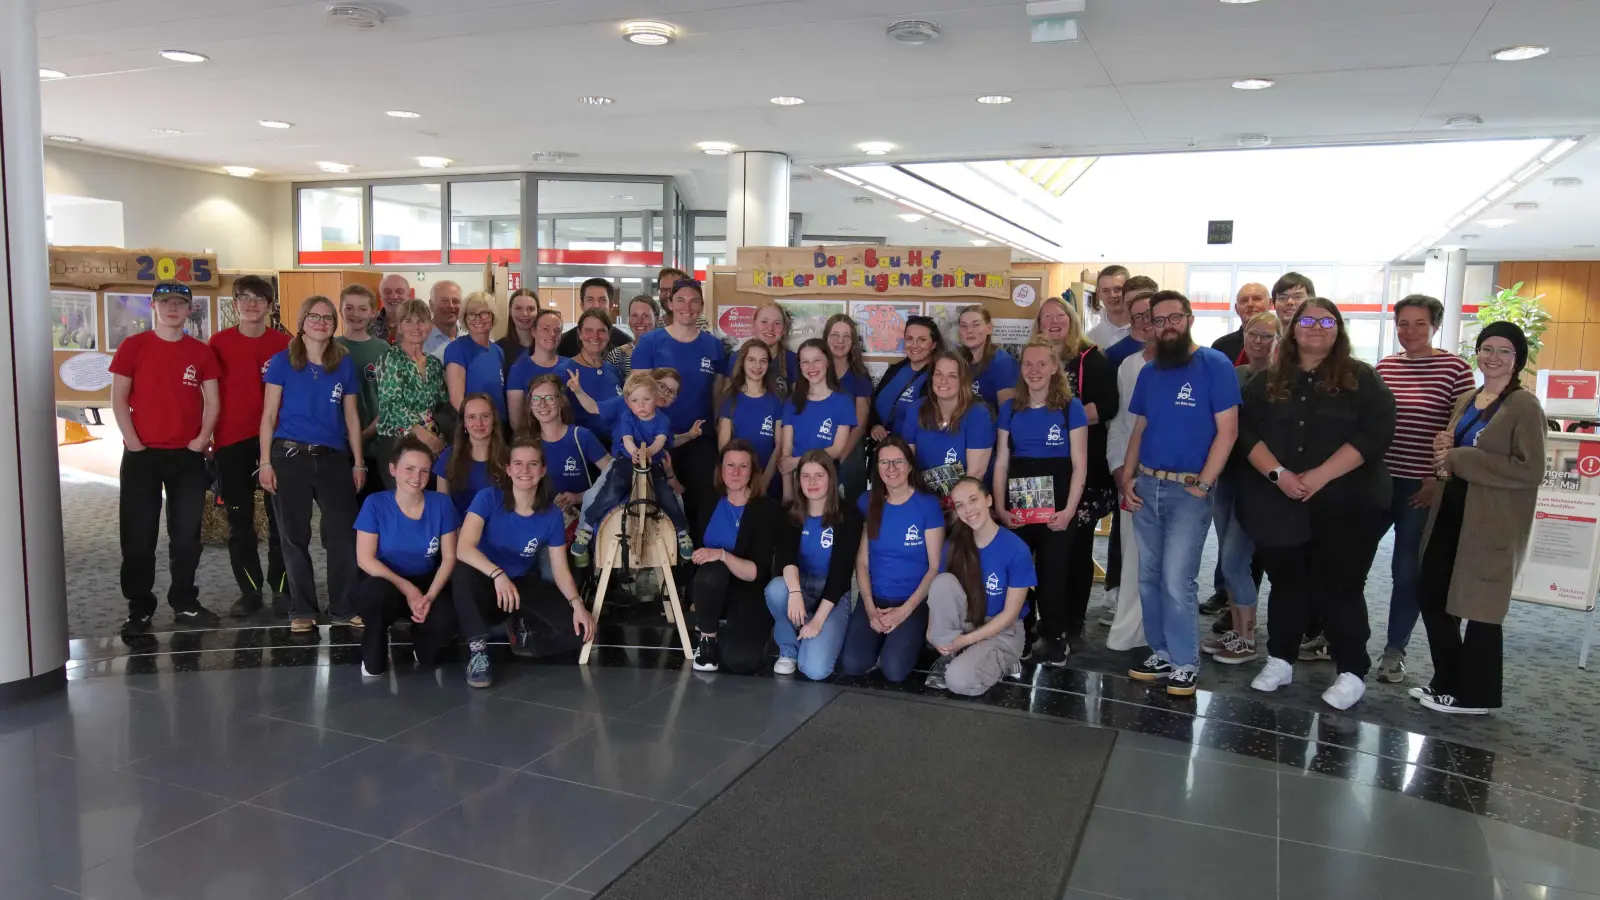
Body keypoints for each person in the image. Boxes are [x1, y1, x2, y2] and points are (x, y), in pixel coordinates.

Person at [1238, 299, 1395, 710]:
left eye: (1327, 321)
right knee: (1288, 584)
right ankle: (1280, 659)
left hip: (1349, 503)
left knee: (1340, 586)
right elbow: (1246, 435)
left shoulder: (1363, 379)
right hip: (1281, 500)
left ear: (1339, 330)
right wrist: (1281, 476)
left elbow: (1374, 434)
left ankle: (1351, 671)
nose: (1317, 327)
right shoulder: (1267, 380)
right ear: (1293, 330)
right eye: (1308, 320)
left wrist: (1320, 475)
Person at [1417, 322, 1543, 715]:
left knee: (1482, 608)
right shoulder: (1471, 397)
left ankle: (1476, 696)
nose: (1493, 357)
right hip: (1452, 511)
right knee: (1433, 595)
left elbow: (1530, 469)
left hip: (1490, 522)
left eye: (1504, 351)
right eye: (1487, 348)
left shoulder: (1524, 405)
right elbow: (1453, 455)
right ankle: (1448, 682)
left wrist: (1460, 458)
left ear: (1517, 359)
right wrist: (1445, 452)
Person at [1120, 291, 1240, 696]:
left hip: (1189, 491)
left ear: (1189, 319)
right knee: (1149, 577)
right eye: (1159, 320)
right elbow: (1140, 429)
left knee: (1177, 579)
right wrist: (1127, 476)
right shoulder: (1150, 373)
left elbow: (1228, 432)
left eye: (1174, 317)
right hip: (1146, 486)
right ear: (1150, 326)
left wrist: (1204, 484)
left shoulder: (1214, 365)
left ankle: (1185, 661)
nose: (1166, 325)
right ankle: (1162, 652)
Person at [1373, 294, 1477, 684]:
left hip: (1423, 487)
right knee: (1349, 563)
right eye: (1403, 323)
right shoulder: (1384, 367)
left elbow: (1460, 431)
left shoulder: (1455, 369)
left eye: (1419, 323)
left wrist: (1439, 479)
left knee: (1406, 573)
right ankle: (1338, 638)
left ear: (1435, 326)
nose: (1409, 331)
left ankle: (1394, 651)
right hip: (1378, 483)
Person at [111, 280, 222, 635]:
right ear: (153, 306)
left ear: (190, 310)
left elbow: (213, 402)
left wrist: (201, 440)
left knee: (186, 535)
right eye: (166, 302)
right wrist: (133, 442)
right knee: (138, 536)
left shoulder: (201, 352)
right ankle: (139, 608)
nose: (173, 308)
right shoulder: (134, 346)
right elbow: (119, 398)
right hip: (142, 455)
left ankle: (185, 602)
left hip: (186, 457)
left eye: (180, 303)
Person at [259, 295, 367, 632]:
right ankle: (302, 609)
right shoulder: (281, 362)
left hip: (333, 458)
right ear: (302, 321)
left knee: (342, 536)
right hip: (289, 456)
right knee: (294, 536)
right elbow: (268, 415)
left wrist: (359, 462)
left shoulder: (343, 363)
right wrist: (264, 462)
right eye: (314, 316)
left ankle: (343, 607)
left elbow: (351, 416)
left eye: (327, 318)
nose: (321, 322)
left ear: (334, 326)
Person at [454, 438, 596, 687]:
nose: (525, 470)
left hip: (519, 585)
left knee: (580, 631)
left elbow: (560, 568)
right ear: (508, 469)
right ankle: (478, 653)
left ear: (542, 470)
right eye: (518, 464)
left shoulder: (551, 515)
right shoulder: (488, 498)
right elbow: (463, 548)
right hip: (486, 583)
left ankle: (520, 634)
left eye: (532, 464)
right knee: (462, 573)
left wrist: (578, 605)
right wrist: (498, 575)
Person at [992, 337, 1088, 666]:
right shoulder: (1010, 407)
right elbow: (1002, 461)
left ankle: (1055, 636)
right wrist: (1001, 508)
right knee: (1017, 571)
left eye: (1041, 364)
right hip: (1018, 496)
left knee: (1053, 573)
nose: (1034, 370)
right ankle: (1022, 631)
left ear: (1054, 368)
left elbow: (1080, 465)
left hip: (1058, 498)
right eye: (1027, 364)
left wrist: (1069, 510)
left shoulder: (1070, 407)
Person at [1035, 297, 1121, 642]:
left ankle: (1074, 619)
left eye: (1061, 316)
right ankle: (1050, 616)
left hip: (1084, 467)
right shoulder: (1031, 359)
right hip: (1041, 469)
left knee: (1078, 546)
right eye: (1047, 317)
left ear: (1072, 320)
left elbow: (1109, 406)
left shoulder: (1091, 358)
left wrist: (1062, 420)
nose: (1054, 322)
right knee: (1046, 546)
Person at [209, 274, 289, 617]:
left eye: (260, 298)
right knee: (239, 520)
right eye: (245, 297)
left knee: (280, 518)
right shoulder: (218, 343)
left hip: (277, 438)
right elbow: (207, 396)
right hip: (231, 440)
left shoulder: (284, 344)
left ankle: (283, 587)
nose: (252, 304)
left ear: (270, 306)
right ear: (235, 304)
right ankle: (250, 590)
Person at [1202, 311, 1278, 663]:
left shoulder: (1285, 381)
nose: (1259, 341)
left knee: (1234, 560)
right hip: (1227, 478)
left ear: (1279, 340)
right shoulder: (1234, 375)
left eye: (1267, 335)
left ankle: (1247, 639)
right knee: (1229, 559)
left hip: (1261, 485)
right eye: (1253, 333)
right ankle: (1237, 630)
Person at [839, 436, 945, 683]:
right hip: (874, 599)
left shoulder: (927, 504)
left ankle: (911, 639)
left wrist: (903, 612)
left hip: (913, 601)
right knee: (854, 664)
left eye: (898, 462)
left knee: (894, 670)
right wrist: (869, 609)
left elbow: (934, 567)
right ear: (877, 468)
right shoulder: (867, 502)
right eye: (884, 463)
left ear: (909, 466)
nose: (891, 469)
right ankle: (885, 636)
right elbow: (862, 562)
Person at [353, 436, 458, 676]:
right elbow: (365, 559)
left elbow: (450, 557)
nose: (416, 477)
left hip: (426, 582)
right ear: (393, 469)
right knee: (374, 596)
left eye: (424, 471)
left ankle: (420, 636)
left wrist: (429, 596)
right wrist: (407, 589)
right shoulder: (375, 503)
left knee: (438, 641)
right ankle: (377, 638)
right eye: (409, 469)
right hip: (387, 582)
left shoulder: (441, 504)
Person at [571, 370, 695, 565]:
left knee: (670, 496)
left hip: (652, 462)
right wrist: (578, 390)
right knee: (602, 492)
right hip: (625, 459)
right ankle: (585, 531)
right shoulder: (627, 409)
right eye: (662, 386)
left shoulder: (663, 419)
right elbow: (625, 436)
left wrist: (655, 450)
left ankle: (681, 534)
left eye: (671, 392)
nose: (664, 393)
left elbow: (663, 440)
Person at [925, 477, 1035, 695]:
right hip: (969, 621)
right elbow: (940, 594)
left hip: (1002, 630)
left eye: (973, 500)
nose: (968, 509)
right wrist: (934, 635)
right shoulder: (955, 543)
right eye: (960, 505)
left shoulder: (1016, 548)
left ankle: (1002, 661)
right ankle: (952, 656)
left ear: (988, 499)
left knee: (958, 681)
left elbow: (1010, 615)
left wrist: (965, 640)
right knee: (942, 582)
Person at [630, 278, 726, 520]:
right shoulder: (650, 343)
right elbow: (635, 393)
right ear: (670, 304)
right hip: (656, 440)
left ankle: (699, 556)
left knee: (701, 504)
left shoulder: (713, 346)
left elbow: (717, 395)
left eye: (694, 301)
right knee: (657, 508)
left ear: (702, 306)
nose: (688, 307)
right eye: (681, 300)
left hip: (700, 440)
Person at [690, 439, 783, 673]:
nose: (736, 472)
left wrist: (721, 554)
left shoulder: (767, 510)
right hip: (712, 585)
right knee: (711, 573)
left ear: (752, 472)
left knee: (740, 660)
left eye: (743, 466)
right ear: (720, 470)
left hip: (749, 587)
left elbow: (754, 573)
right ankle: (707, 640)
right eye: (730, 465)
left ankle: (737, 627)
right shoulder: (709, 499)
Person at [765, 451, 860, 679]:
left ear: (831, 478)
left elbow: (841, 574)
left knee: (815, 670)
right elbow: (785, 558)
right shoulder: (790, 514)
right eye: (805, 476)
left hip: (832, 593)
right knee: (778, 589)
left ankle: (810, 630)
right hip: (801, 584)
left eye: (819, 475)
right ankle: (789, 649)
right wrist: (796, 592)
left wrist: (817, 621)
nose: (812, 482)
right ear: (798, 481)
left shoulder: (849, 515)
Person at [1102, 290, 1157, 651]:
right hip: (1132, 476)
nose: (1144, 322)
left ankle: (1168, 637)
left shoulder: (1200, 364)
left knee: (1171, 566)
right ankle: (1132, 630)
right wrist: (1119, 469)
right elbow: (1119, 424)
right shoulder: (1128, 365)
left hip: (1179, 480)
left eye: (1150, 315)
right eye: (1136, 317)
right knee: (1134, 557)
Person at [374, 300, 449, 486]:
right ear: (399, 327)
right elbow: (391, 404)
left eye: (422, 321)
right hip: (397, 441)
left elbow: (442, 402)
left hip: (431, 441)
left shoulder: (434, 364)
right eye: (408, 321)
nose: (416, 327)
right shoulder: (390, 357)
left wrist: (439, 437)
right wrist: (426, 437)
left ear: (430, 326)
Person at [523, 374, 612, 533]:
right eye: (536, 399)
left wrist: (579, 497)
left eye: (549, 398)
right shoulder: (526, 444)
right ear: (530, 405)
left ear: (561, 402)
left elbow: (614, 476)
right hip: (543, 527)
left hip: (583, 526)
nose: (543, 404)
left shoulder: (581, 437)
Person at [904, 351, 994, 500]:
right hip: (924, 497)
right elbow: (907, 463)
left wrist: (956, 510)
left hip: (966, 502)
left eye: (952, 375)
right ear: (931, 377)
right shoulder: (916, 409)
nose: (943, 381)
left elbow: (975, 475)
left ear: (963, 381)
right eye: (938, 374)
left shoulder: (978, 415)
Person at [779, 338, 857, 501]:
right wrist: (787, 496)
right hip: (798, 484)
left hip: (830, 485)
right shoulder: (792, 403)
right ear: (800, 366)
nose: (811, 367)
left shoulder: (843, 402)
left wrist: (797, 462)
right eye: (805, 362)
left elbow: (836, 450)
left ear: (827, 362)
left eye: (816, 360)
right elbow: (786, 454)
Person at [339, 284, 388, 501]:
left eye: (362, 308)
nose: (355, 314)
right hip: (337, 446)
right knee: (341, 513)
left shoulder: (383, 349)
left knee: (373, 508)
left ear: (373, 312)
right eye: (349, 308)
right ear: (340, 310)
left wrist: (366, 433)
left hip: (374, 446)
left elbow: (389, 400)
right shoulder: (330, 348)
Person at [718, 341, 783, 497]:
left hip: (769, 482)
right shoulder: (730, 400)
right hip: (738, 484)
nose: (757, 366)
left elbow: (779, 446)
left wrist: (763, 482)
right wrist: (740, 481)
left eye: (763, 361)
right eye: (752, 360)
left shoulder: (777, 401)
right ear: (742, 363)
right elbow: (724, 447)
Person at [869, 315, 943, 440]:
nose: (914, 345)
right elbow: (873, 405)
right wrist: (874, 426)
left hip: (913, 452)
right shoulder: (894, 370)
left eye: (922, 339)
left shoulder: (938, 377)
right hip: (884, 449)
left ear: (933, 345)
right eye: (909, 339)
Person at [825, 313, 874, 499]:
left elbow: (860, 426)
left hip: (850, 453)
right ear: (826, 338)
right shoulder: (815, 371)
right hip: (819, 450)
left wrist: (839, 458)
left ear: (853, 341)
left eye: (846, 336)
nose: (840, 341)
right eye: (835, 335)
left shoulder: (859, 376)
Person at [435, 394, 507, 518]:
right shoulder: (448, 456)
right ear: (464, 423)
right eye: (471, 417)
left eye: (485, 416)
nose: (479, 423)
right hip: (459, 532)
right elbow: (441, 506)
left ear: (494, 420)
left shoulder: (510, 457)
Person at [442, 292, 507, 424]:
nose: (477, 319)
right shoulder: (457, 349)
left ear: (492, 316)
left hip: (500, 428)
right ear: (464, 318)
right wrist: (476, 426)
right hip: (476, 429)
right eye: (471, 314)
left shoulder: (498, 351)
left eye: (484, 313)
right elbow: (457, 400)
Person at [507, 309, 576, 432]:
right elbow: (515, 420)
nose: (552, 334)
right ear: (533, 331)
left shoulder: (570, 366)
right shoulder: (519, 369)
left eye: (557, 330)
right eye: (546, 329)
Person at [567, 308, 625, 446]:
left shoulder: (613, 370)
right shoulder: (565, 371)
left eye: (601, 331)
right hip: (581, 453)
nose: (595, 336)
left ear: (609, 334)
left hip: (616, 450)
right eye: (588, 330)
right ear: (579, 334)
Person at [957, 306, 1019, 410]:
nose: (969, 331)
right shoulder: (959, 360)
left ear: (989, 328)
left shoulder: (1002, 362)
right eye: (964, 326)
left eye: (976, 325)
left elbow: (1007, 412)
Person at [557, 278, 630, 357]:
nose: (596, 305)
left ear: (611, 306)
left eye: (602, 300)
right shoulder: (562, 343)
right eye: (590, 299)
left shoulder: (625, 343)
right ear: (582, 305)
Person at [1212, 282, 1272, 364]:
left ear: (1270, 303)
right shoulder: (1221, 347)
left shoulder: (1285, 343)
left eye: (1257, 299)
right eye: (1244, 300)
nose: (1250, 304)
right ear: (1236, 309)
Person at [748, 303, 799, 396]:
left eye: (777, 323)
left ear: (784, 329)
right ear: (754, 324)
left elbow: (799, 403)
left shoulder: (794, 361)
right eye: (764, 321)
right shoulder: (737, 358)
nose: (770, 328)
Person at [608, 295, 658, 381]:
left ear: (656, 319)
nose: (639, 321)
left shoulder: (668, 351)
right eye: (634, 316)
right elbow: (610, 390)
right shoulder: (617, 355)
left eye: (645, 316)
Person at [497, 288, 540, 382]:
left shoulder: (547, 347)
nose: (524, 314)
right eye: (518, 308)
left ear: (538, 312)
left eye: (531, 309)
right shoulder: (498, 349)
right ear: (510, 311)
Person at [1085, 264, 1130, 348]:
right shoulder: (1090, 339)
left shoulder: (1145, 332)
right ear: (1099, 294)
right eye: (1106, 290)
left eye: (1118, 289)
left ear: (1129, 290)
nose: (1112, 295)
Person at [422, 280, 462, 358]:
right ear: (431, 305)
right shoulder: (419, 340)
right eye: (444, 301)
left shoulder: (470, 339)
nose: (450, 306)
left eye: (455, 301)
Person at [375, 273, 412, 341]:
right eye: (387, 292)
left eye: (399, 292)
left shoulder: (421, 325)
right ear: (380, 296)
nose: (393, 296)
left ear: (408, 294)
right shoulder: (369, 324)